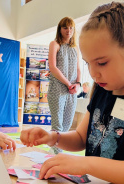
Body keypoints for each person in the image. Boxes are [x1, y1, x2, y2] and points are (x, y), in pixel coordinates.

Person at [20, 2, 124, 184]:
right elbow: (81, 137)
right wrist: (53, 137)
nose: (94, 73)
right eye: (88, 63)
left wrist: (87, 164)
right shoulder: (104, 88)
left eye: (102, 63)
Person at [47, 17, 81, 154]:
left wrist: (77, 84)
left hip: (71, 91)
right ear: (60, 29)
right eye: (65, 28)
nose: (68, 31)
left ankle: (56, 151)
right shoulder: (55, 44)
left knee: (67, 125)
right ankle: (56, 155)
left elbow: (78, 68)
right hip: (57, 89)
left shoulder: (75, 48)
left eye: (71, 28)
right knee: (57, 124)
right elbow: (53, 67)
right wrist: (68, 83)